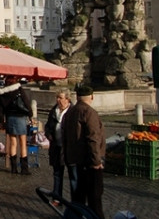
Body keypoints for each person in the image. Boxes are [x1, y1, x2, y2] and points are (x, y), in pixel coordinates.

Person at [63, 85, 106, 219]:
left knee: (78, 197)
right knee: (94, 199)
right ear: (92, 97)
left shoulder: (70, 112)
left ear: (77, 97)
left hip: (74, 160)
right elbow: (93, 138)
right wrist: (96, 161)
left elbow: (64, 136)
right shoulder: (89, 112)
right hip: (89, 162)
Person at [0, 76, 34, 175]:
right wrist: (30, 115)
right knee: (23, 143)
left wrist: (1, 121)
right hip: (20, 117)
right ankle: (24, 169)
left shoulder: (2, 93)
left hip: (9, 118)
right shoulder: (18, 89)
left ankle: (14, 168)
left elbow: (0, 110)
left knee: (13, 143)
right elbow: (26, 103)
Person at [45, 88, 72, 204]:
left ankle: (75, 201)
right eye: (57, 97)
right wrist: (49, 135)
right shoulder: (54, 111)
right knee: (57, 173)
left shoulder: (72, 112)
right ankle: (57, 197)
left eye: (60, 98)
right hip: (56, 146)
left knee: (72, 175)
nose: (58, 100)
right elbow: (48, 126)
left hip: (69, 148)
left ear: (67, 99)